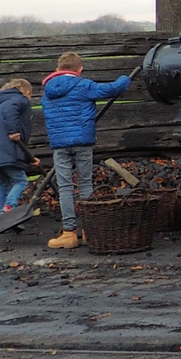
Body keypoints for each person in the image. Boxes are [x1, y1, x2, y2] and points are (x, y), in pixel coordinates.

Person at [41, 52, 130, 250]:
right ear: (79, 69)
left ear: (58, 69)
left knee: (65, 187)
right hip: (82, 142)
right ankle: (89, 231)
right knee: (85, 184)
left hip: (60, 144)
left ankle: (69, 233)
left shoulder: (48, 89)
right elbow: (112, 88)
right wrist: (126, 79)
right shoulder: (84, 85)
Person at [0, 78, 37, 215]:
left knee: (3, 183)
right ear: (28, 92)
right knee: (21, 181)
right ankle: (9, 208)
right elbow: (11, 112)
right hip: (5, 151)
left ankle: (1, 215)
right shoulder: (20, 100)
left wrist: (30, 159)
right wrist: (13, 132)